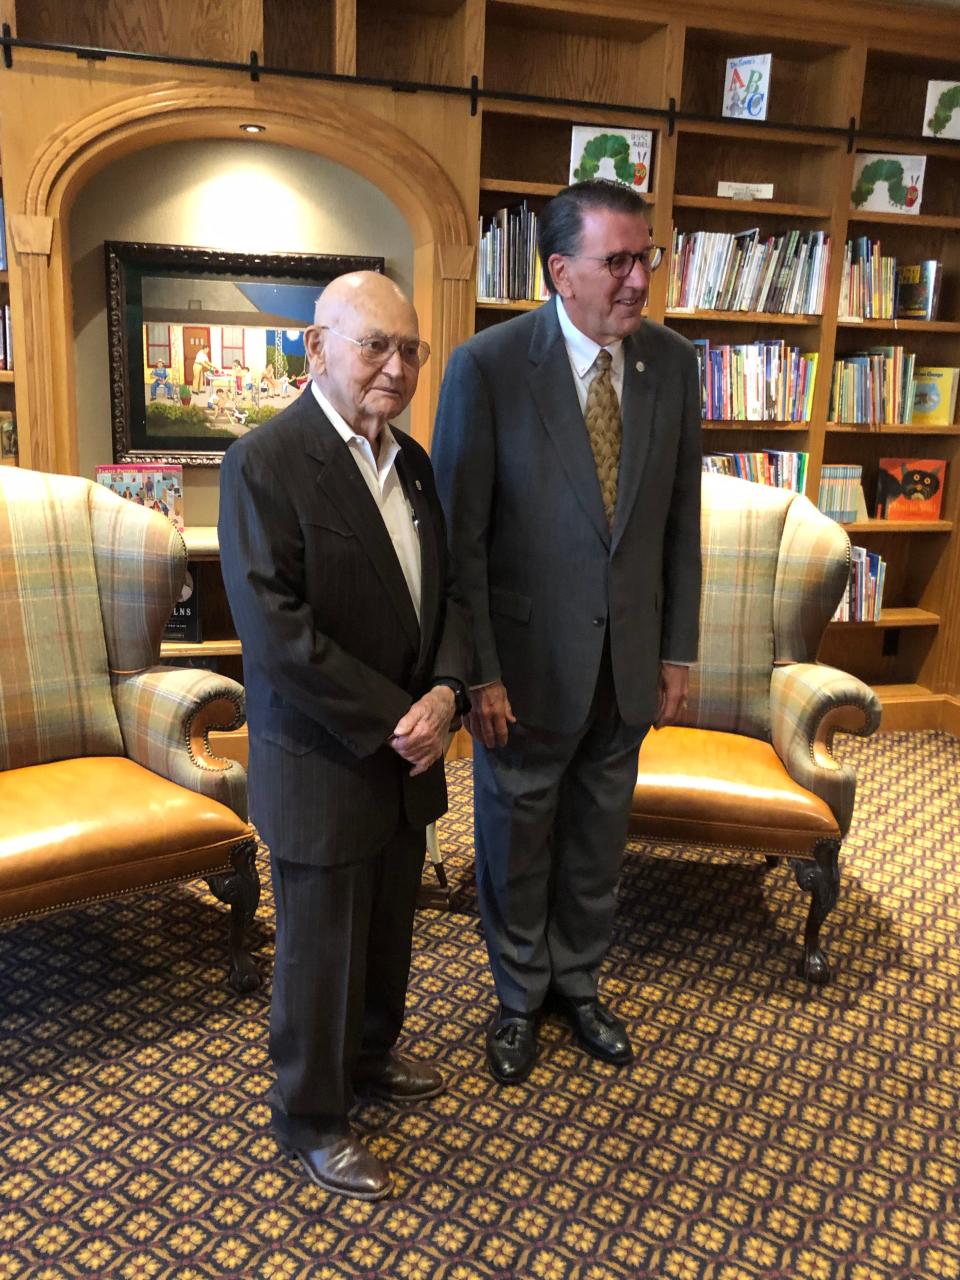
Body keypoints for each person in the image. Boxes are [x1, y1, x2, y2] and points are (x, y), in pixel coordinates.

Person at [432, 179, 702, 1086]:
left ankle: (578, 983)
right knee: (517, 834)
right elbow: (459, 541)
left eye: (646, 258)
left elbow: (679, 525)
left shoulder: (673, 364)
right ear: (560, 271)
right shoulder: (490, 367)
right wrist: (478, 675)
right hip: (525, 667)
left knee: (597, 834)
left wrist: (677, 650)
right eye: (616, 262)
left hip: (627, 662)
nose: (637, 281)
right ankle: (518, 996)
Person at [218, 271, 470, 1201]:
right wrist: (392, 719)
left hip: (412, 749)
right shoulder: (265, 463)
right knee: (320, 948)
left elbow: (448, 595)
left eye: (412, 350)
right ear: (318, 348)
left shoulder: (416, 463)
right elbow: (278, 635)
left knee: (389, 929)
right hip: (325, 754)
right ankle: (311, 1116)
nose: (397, 368)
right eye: (377, 346)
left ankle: (369, 1059)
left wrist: (446, 693)